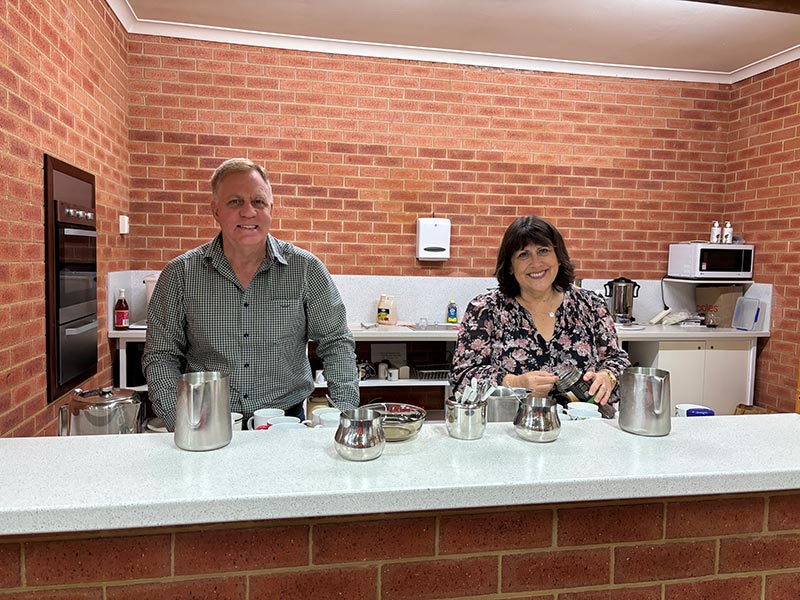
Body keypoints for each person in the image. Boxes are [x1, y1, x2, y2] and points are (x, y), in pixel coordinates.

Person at [142, 158, 359, 430]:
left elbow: (336, 342)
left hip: (285, 424)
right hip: (206, 424)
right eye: (235, 201)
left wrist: (346, 416)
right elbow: (161, 356)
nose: (248, 212)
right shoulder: (180, 274)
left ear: (271, 208)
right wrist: (181, 423)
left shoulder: (306, 270)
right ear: (216, 210)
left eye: (258, 202)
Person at [450, 215, 630, 406]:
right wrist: (514, 383)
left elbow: (618, 360)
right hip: (510, 427)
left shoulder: (591, 305)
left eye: (543, 251)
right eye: (523, 254)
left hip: (585, 427)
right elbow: (462, 377)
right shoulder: (486, 310)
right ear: (510, 266)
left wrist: (607, 376)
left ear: (559, 258)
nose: (536, 263)